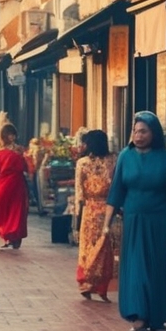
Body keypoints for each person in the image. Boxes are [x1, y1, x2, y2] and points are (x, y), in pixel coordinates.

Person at [102, 113, 166, 331]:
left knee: (156, 267)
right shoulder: (125, 156)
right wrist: (106, 224)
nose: (138, 135)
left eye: (143, 131)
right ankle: (138, 315)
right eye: (135, 131)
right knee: (135, 266)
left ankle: (157, 315)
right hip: (133, 219)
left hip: (160, 220)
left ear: (153, 133)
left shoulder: (165, 158)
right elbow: (116, 190)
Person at [72, 129, 117, 302]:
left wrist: (76, 217)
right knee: (105, 249)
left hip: (90, 210)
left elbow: (79, 192)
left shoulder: (83, 163)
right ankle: (101, 287)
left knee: (88, 248)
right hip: (108, 209)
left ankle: (86, 283)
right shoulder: (113, 160)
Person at [0, 123, 32, 251]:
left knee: (3, 212)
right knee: (17, 212)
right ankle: (15, 237)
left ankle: (8, 236)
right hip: (17, 185)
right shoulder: (21, 152)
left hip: (1, 186)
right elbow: (28, 168)